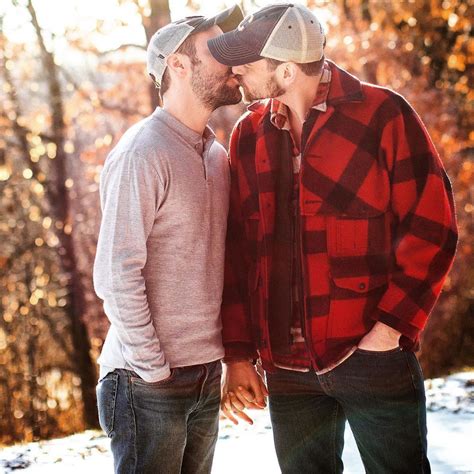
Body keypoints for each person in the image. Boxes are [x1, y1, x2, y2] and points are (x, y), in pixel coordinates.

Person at [208, 4, 458, 473]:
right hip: (286, 371)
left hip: (373, 359)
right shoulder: (248, 137)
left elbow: (433, 230)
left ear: (284, 69)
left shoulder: (384, 116)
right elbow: (239, 253)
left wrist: (388, 332)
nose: (234, 69)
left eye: (245, 59)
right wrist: (239, 354)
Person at [93, 5, 244, 473]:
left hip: (202, 375)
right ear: (178, 65)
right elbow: (115, 274)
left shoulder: (217, 156)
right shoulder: (142, 152)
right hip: (145, 381)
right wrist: (153, 369)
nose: (232, 63)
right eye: (217, 51)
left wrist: (216, 364)